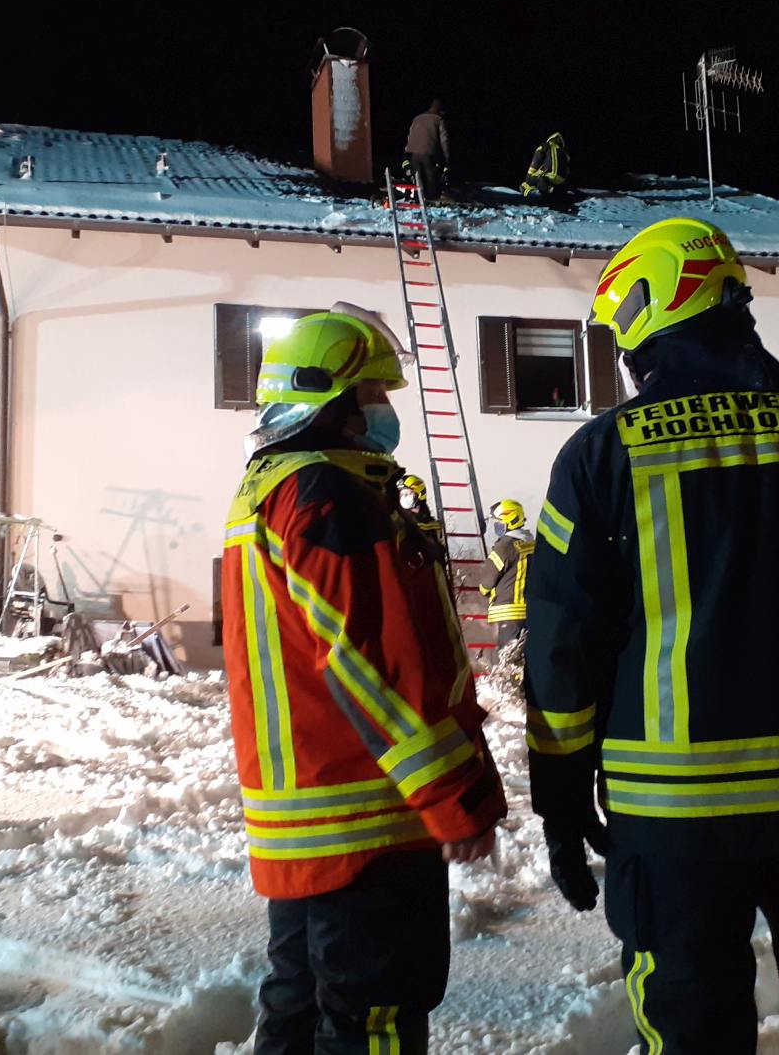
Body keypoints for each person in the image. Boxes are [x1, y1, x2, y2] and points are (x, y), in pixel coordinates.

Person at [524, 217, 779, 1055]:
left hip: (674, 817)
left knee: (692, 1027)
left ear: (647, 311)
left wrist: (558, 797)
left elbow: (564, 643)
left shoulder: (601, 455)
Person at [222, 305, 506, 1055]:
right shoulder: (326, 494)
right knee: (374, 1019)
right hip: (368, 817)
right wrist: (453, 797)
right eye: (374, 393)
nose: (384, 409)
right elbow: (371, 659)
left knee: (299, 1007)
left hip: (314, 815)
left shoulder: (273, 487)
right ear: (333, 401)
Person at [476, 500, 533, 648]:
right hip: (531, 611)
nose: (496, 525)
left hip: (508, 612)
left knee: (509, 656)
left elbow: (488, 581)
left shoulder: (504, 546)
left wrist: (483, 589)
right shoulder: (532, 545)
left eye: (499, 521)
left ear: (509, 520)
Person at [405, 99, 451, 203]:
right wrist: (447, 157)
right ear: (440, 110)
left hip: (413, 154)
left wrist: (407, 153)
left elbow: (410, 136)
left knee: (418, 179)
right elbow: (444, 139)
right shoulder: (438, 119)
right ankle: (431, 201)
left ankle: (418, 200)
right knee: (431, 180)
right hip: (429, 153)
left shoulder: (417, 118)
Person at [396, 473, 446, 553]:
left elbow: (438, 553)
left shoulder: (433, 526)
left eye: (408, 493)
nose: (404, 497)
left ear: (419, 493)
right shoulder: (398, 521)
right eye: (401, 494)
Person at [520, 131, 570, 202]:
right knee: (544, 180)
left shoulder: (545, 146)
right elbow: (567, 169)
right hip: (561, 179)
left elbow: (537, 159)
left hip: (548, 176)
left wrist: (529, 175)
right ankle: (552, 191)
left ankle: (534, 195)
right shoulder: (564, 153)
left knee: (525, 184)